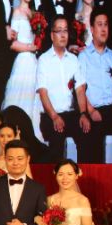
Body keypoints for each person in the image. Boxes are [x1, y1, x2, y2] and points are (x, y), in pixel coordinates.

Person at [74, 8, 112, 163]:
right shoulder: (84, 56)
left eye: (106, 25)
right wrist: (91, 111)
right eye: (99, 25)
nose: (103, 29)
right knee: (88, 135)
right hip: (93, 109)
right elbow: (81, 90)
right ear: (92, 29)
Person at [1, 0, 42, 137]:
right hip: (23, 62)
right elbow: (12, 44)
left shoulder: (34, 13)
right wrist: (30, 47)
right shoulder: (17, 13)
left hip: (34, 63)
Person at [36, 15, 80, 163]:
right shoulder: (44, 60)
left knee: (88, 131)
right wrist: (54, 117)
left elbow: (80, 90)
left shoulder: (74, 59)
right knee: (57, 139)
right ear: (52, 35)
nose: (63, 35)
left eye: (65, 31)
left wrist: (84, 114)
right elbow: (43, 93)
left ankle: (85, 175)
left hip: (71, 114)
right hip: (51, 116)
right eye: (59, 31)